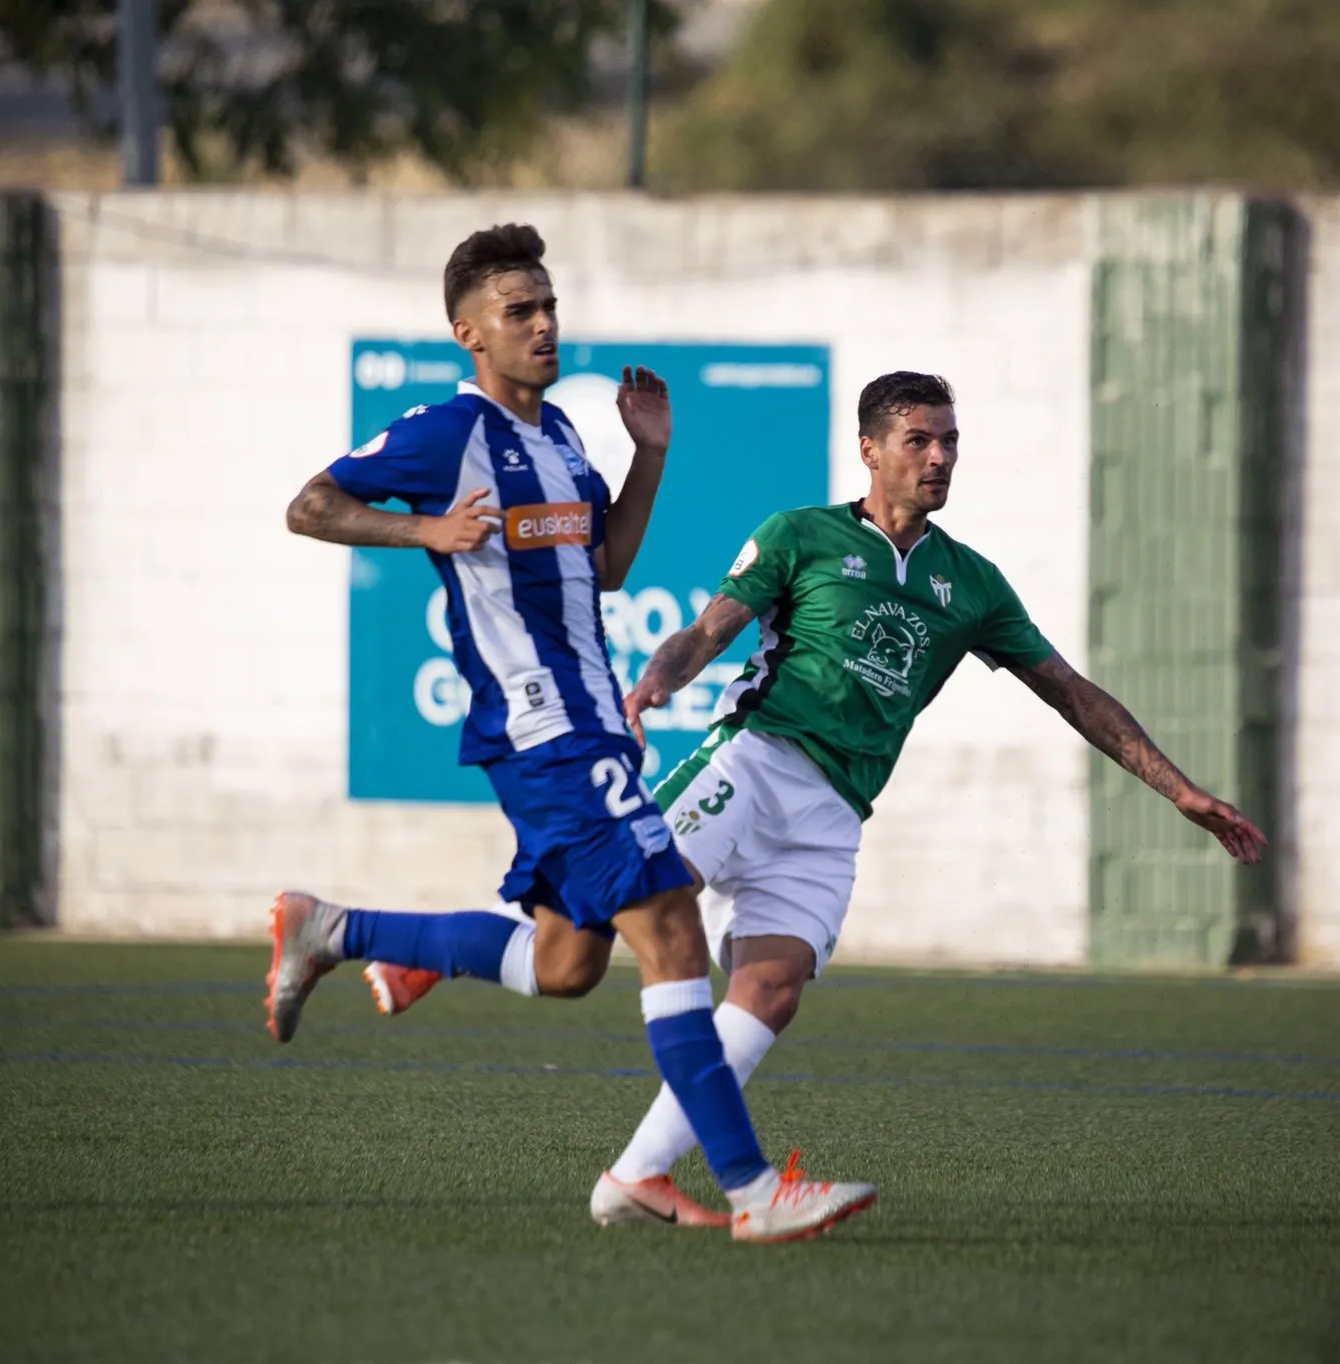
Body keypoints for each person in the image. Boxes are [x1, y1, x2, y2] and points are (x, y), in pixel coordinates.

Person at [365, 370, 1266, 1228]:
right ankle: (435, 944)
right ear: (870, 450)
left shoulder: (973, 585)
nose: (940, 457)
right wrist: (653, 687)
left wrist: (1179, 789)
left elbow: (1071, 691)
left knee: (771, 988)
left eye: (950, 441)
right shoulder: (802, 534)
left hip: (835, 814)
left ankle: (636, 1174)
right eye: (919, 440)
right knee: (601, 925)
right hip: (751, 763)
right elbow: (706, 632)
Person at [265, 222, 875, 1244]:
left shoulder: (558, 438)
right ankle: (750, 1188)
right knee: (671, 921)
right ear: (469, 333)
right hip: (543, 729)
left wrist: (649, 455)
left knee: (566, 964)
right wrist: (422, 529)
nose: (544, 325)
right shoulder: (445, 432)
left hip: (590, 725)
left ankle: (332, 927)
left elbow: (610, 567)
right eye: (520, 312)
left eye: (548, 306)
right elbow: (310, 505)